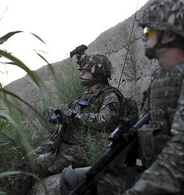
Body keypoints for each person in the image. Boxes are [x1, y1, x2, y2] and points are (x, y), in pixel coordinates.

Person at [60, 0, 184, 194]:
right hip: (159, 166)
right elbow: (156, 132)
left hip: (174, 173)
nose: (143, 38)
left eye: (148, 32)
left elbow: (178, 153)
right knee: (74, 181)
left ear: (169, 34)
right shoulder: (159, 77)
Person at [22, 53, 126, 180]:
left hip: (86, 148)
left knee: (35, 165)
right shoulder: (86, 95)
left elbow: (104, 120)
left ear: (97, 74)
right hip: (68, 143)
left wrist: (76, 116)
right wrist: (55, 112)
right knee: (26, 161)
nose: (81, 74)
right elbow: (68, 110)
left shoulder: (110, 96)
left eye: (85, 71)